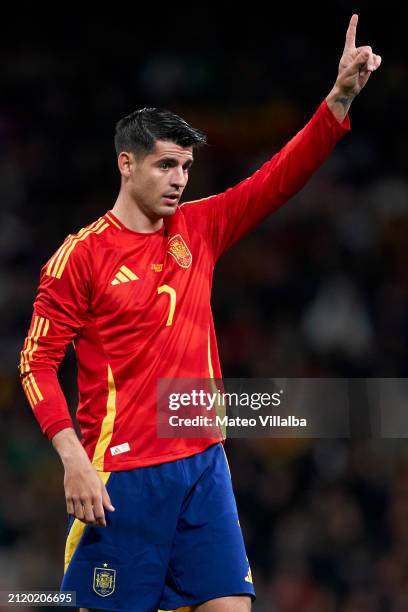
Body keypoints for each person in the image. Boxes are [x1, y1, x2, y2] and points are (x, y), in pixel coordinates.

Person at [19, 14, 381, 612]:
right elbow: (36, 362)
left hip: (202, 460)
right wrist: (72, 459)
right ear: (126, 164)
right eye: (166, 165)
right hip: (122, 477)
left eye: (186, 167)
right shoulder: (78, 258)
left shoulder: (198, 228)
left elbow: (274, 183)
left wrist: (338, 99)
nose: (180, 180)